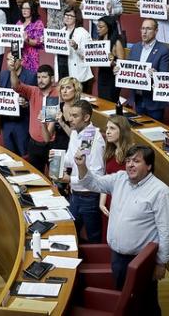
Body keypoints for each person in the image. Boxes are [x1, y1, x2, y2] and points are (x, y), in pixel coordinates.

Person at [75, 145, 169, 316]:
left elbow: (168, 232)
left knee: (146, 304)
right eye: (128, 161)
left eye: (136, 161)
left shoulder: (162, 192)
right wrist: (81, 165)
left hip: (141, 261)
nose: (130, 165)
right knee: (125, 301)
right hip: (117, 256)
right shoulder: (119, 179)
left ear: (149, 166)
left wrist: (161, 263)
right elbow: (91, 182)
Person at [57, 100, 105, 243]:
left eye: (75, 116)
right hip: (75, 194)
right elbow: (71, 160)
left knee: (93, 239)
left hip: (89, 197)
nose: (70, 119)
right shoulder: (75, 133)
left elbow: (96, 176)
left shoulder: (92, 137)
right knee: (72, 234)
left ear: (86, 118)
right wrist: (57, 160)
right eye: (70, 115)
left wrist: (69, 180)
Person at [11, 63, 58, 172]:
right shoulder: (33, 91)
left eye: (44, 77)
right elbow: (16, 86)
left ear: (52, 78)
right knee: (36, 177)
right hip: (34, 144)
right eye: (38, 77)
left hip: (53, 145)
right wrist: (13, 70)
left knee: (56, 178)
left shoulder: (57, 94)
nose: (40, 80)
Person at [126, 18, 169, 121]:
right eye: (142, 28)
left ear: (156, 31)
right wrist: (119, 70)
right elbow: (128, 68)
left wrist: (156, 75)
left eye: (148, 29)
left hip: (153, 103)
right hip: (137, 99)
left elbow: (164, 77)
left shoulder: (163, 51)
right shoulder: (135, 48)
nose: (144, 32)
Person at [0, 52, 36, 156]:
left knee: (23, 155)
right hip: (6, 122)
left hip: (22, 123)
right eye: (8, 60)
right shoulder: (3, 74)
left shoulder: (31, 76)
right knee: (9, 155)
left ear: (21, 61)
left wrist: (26, 103)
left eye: (13, 60)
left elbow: (35, 101)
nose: (10, 63)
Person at [99, 115, 134, 219]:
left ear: (122, 131)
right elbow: (106, 178)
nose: (108, 132)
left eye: (112, 128)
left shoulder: (132, 153)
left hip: (125, 203)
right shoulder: (110, 151)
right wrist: (101, 203)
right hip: (109, 201)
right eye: (107, 128)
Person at [58, 6, 93, 91]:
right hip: (62, 69)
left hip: (78, 74)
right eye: (66, 15)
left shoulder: (83, 33)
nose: (67, 17)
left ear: (76, 18)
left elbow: (88, 56)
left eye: (70, 16)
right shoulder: (61, 31)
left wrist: (76, 47)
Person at [42, 76, 81, 153]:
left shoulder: (80, 109)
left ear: (76, 90)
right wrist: (43, 123)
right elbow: (47, 139)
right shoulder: (56, 107)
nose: (64, 91)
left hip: (75, 152)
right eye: (62, 88)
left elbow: (78, 138)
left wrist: (62, 123)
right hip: (57, 152)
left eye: (68, 88)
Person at [95, 15, 126, 102]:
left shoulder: (117, 42)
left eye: (101, 27)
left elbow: (122, 65)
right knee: (102, 102)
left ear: (109, 27)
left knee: (110, 103)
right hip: (102, 76)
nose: (98, 29)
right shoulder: (99, 40)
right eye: (98, 26)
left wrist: (113, 63)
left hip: (112, 78)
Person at [18, 0, 44, 74]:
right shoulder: (19, 22)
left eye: (27, 8)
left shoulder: (38, 23)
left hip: (32, 57)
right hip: (20, 55)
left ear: (32, 10)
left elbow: (39, 42)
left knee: (30, 79)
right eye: (23, 8)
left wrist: (27, 40)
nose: (24, 10)